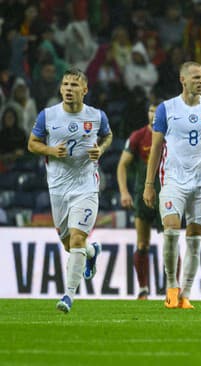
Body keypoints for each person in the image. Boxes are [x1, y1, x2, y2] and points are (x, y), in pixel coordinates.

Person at [27, 68, 113, 313]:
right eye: (65, 84)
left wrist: (102, 149)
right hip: (58, 188)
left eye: (74, 85)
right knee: (69, 244)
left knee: (76, 238)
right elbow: (32, 144)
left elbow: (108, 136)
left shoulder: (96, 116)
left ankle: (68, 296)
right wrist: (52, 151)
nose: (68, 89)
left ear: (85, 90)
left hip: (86, 186)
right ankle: (91, 252)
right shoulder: (48, 115)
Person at [143, 61, 201, 309]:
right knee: (170, 231)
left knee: (194, 238)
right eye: (196, 77)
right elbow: (156, 148)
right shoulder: (166, 109)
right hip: (173, 180)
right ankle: (171, 286)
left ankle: (185, 294)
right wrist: (149, 184)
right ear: (183, 80)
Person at [116, 102, 164, 300]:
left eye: (157, 110)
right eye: (151, 110)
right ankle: (143, 289)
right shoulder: (138, 136)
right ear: (147, 112)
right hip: (141, 192)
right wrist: (124, 192)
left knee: (171, 240)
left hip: (166, 193)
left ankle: (173, 287)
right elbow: (122, 165)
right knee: (142, 243)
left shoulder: (171, 134)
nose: (154, 114)